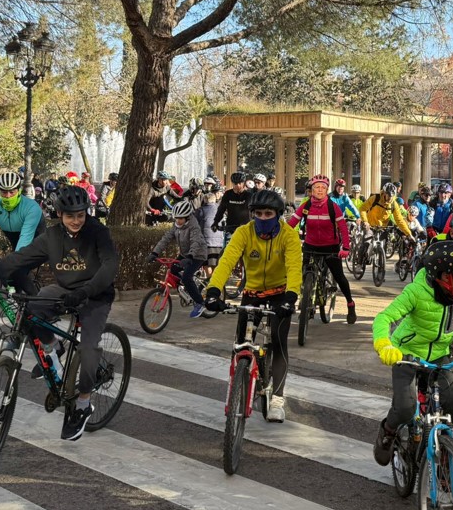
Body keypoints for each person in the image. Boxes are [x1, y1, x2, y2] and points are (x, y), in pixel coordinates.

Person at [0, 185, 118, 441]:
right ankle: (53, 346)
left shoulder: (98, 232)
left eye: (80, 214)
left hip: (95, 296)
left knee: (88, 349)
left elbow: (110, 267)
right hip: (64, 289)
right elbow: (19, 259)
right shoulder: (52, 237)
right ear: (60, 214)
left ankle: (83, 404)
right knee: (30, 312)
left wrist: (87, 291)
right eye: (70, 215)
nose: (76, 220)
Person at [370, 240, 453, 464]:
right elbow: (383, 318)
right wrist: (384, 344)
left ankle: (448, 458)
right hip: (406, 354)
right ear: (446, 276)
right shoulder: (416, 292)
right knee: (406, 408)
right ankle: (388, 431)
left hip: (440, 355)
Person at [203, 188, 302, 422]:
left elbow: (294, 269)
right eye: (258, 213)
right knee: (240, 344)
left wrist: (291, 297)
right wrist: (214, 290)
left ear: (278, 215)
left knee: (278, 344)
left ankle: (277, 398)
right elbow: (227, 260)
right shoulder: (243, 233)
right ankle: (238, 384)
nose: (263, 218)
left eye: (269, 214)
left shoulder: (289, 236)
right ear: (252, 214)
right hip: (252, 293)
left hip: (280, 294)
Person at [288, 174, 358, 324]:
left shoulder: (333, 207)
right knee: (301, 275)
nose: (319, 190)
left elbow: (343, 229)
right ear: (311, 190)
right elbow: (291, 223)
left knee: (339, 277)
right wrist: (280, 238)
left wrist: (345, 247)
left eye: (322, 188)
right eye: (316, 188)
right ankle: (304, 301)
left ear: (327, 190)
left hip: (330, 247)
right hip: (310, 245)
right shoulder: (306, 206)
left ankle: (350, 304)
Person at [149, 200, 209, 318]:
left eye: (181, 218)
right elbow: (166, 238)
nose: (178, 221)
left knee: (187, 277)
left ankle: (200, 303)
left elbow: (195, 242)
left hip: (197, 254)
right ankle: (187, 288)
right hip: (185, 254)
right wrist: (155, 252)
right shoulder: (176, 225)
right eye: (176, 218)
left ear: (187, 217)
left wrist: (190, 256)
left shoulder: (194, 226)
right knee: (173, 270)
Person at [212, 171, 252, 245]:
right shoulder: (228, 194)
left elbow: (254, 212)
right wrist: (215, 222)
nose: (238, 186)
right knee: (227, 250)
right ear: (232, 183)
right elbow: (221, 209)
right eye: (235, 184)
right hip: (231, 227)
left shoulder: (249, 196)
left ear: (244, 183)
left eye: (240, 183)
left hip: (245, 228)